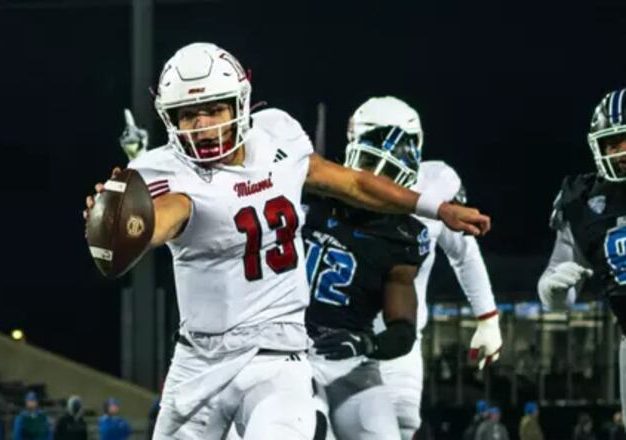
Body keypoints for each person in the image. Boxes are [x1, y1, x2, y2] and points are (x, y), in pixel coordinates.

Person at [86, 42, 490, 439]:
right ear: (170, 118)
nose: (202, 125)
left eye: (214, 109)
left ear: (240, 104)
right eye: (188, 114)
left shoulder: (276, 134)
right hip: (199, 361)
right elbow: (163, 218)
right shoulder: (161, 171)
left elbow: (352, 183)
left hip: (277, 356)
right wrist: (119, 227)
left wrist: (435, 207)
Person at [359, 96, 503, 440]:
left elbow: (464, 253)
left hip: (402, 342)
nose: (390, 152)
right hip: (337, 337)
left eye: (398, 142)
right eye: (377, 141)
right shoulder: (340, 188)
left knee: (400, 426)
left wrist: (488, 317)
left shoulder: (435, 184)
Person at [301, 103, 430, 439]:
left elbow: (402, 332)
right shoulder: (310, 193)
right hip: (288, 351)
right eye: (370, 163)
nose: (375, 179)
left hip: (350, 361)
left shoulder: (402, 236)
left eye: (387, 171)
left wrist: (364, 343)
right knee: (306, 429)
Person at [537, 89, 626, 415]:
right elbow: (556, 290)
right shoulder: (585, 201)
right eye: (614, 143)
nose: (623, 152)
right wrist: (555, 289)